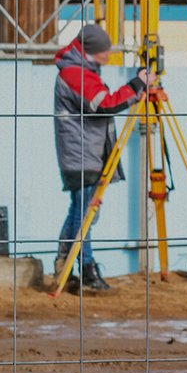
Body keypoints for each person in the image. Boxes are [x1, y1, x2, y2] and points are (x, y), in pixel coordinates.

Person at [52, 22, 156, 295]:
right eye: (105, 51)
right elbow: (104, 104)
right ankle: (86, 269)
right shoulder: (75, 74)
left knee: (79, 211)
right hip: (81, 154)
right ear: (92, 50)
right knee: (85, 213)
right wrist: (137, 85)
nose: (109, 55)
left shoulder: (83, 70)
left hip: (85, 152)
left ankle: (64, 263)